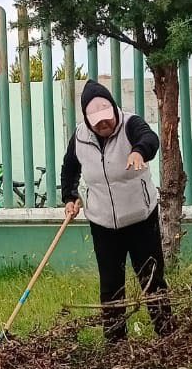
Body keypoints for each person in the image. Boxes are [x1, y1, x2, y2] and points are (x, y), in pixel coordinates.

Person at [60, 80, 172, 345]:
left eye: (107, 118)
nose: (104, 124)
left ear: (113, 110)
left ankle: (168, 336)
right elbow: (69, 168)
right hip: (103, 224)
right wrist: (70, 196)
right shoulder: (80, 137)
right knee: (111, 286)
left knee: (152, 279)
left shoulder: (130, 124)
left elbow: (150, 139)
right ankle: (116, 344)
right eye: (97, 121)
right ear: (88, 120)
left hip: (141, 218)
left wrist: (138, 151)